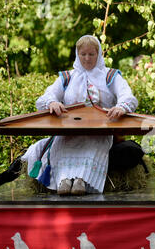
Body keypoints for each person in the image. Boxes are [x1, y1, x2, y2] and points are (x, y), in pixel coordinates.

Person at [21, 35, 138, 195]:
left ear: (99, 54)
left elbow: (127, 96)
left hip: (100, 132)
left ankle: (81, 181)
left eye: (91, 54)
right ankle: (63, 180)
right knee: (60, 145)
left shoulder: (110, 76)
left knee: (91, 145)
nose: (87, 59)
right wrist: (52, 103)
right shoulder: (67, 77)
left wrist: (121, 107)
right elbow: (46, 97)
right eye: (83, 54)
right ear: (78, 54)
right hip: (69, 130)